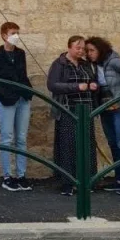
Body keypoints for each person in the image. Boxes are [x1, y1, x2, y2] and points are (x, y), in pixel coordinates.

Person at [85, 37, 120, 197]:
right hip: (104, 107)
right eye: (87, 51)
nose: (89, 54)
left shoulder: (114, 61)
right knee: (113, 143)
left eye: (92, 50)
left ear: (100, 50)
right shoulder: (94, 66)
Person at [0, 22, 34, 191]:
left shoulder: (20, 54)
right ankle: (7, 175)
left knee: (21, 138)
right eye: (13, 33)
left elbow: (22, 74)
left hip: (22, 97)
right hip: (6, 99)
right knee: (6, 137)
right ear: (4, 35)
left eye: (18, 33)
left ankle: (21, 175)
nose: (16, 36)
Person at [47, 36, 99, 196]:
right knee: (67, 146)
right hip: (68, 110)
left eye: (83, 48)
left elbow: (92, 80)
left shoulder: (85, 65)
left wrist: (93, 85)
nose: (81, 51)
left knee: (87, 145)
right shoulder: (59, 64)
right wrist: (76, 86)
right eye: (78, 48)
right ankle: (67, 183)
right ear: (69, 47)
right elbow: (52, 85)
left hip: (86, 110)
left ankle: (87, 181)